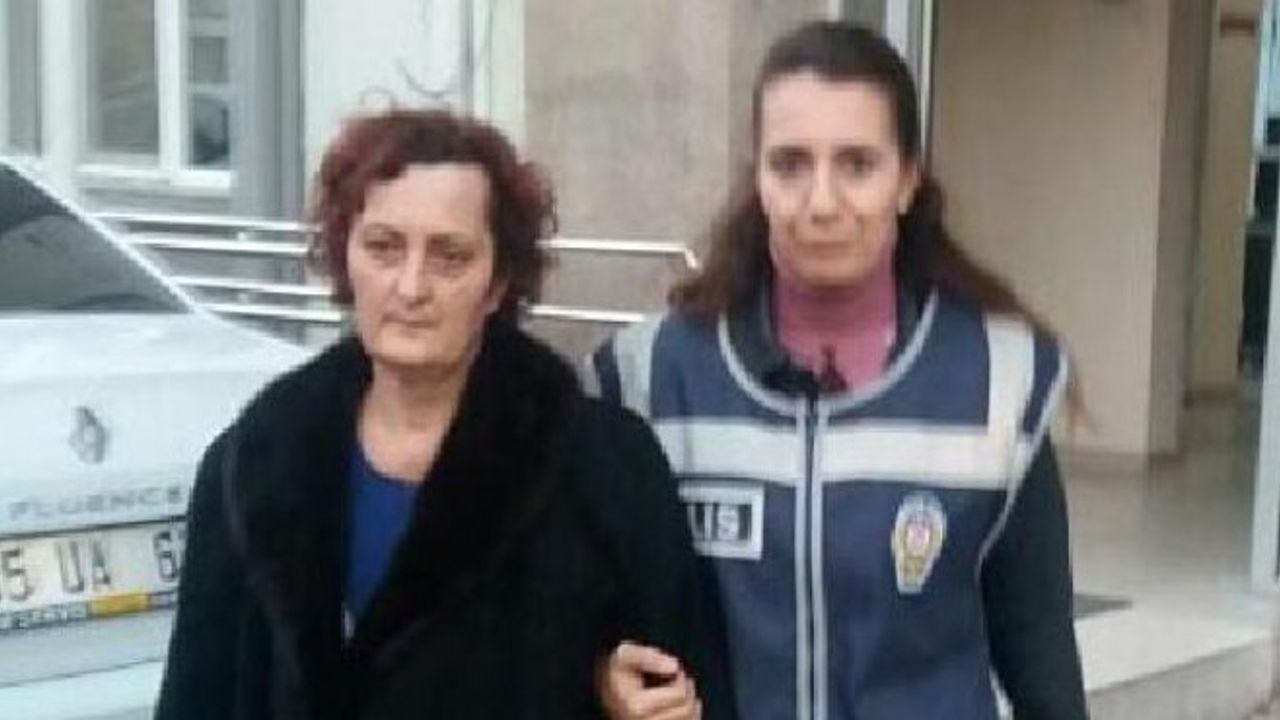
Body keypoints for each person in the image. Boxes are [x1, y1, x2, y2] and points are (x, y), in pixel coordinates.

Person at [155, 108, 731, 720]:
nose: (410, 287)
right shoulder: (250, 471)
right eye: (383, 247)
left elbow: (685, 693)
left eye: (449, 257)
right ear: (345, 256)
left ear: (498, 282)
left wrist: (609, 700)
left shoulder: (605, 472)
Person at [590, 20, 1088, 720]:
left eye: (857, 164)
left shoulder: (1002, 382)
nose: (821, 203)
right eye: (790, 164)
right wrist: (602, 678)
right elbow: (586, 619)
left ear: (907, 180)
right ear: (757, 178)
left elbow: (1042, 663)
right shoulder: (649, 380)